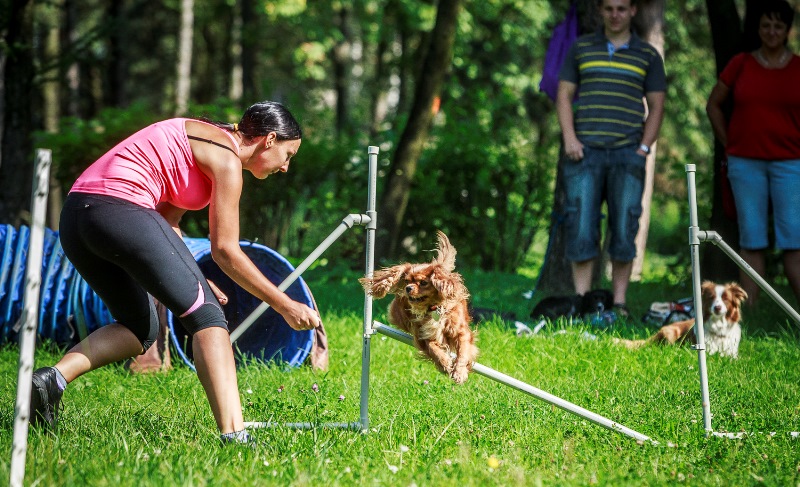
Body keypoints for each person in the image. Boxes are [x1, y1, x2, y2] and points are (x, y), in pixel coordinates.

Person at [29, 101, 320, 445]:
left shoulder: (205, 139)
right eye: (288, 155)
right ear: (269, 139)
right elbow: (225, 250)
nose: (286, 167)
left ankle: (51, 379)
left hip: (78, 216)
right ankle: (235, 435)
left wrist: (193, 275)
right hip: (120, 210)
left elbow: (166, 222)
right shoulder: (226, 158)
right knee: (209, 319)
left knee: (140, 330)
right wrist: (285, 304)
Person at [555, 0, 666, 317]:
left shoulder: (647, 55)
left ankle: (618, 305)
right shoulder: (581, 48)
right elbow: (563, 96)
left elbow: (657, 106)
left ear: (633, 11)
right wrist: (570, 138)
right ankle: (581, 301)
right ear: (601, 12)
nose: (614, 14)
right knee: (580, 225)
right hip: (584, 152)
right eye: (609, 8)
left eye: (621, 8)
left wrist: (644, 148)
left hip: (627, 154)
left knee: (624, 226)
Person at [706, 0, 800, 307]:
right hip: (745, 165)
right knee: (751, 241)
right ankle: (750, 313)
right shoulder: (741, 64)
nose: (771, 32)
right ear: (758, 28)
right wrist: (729, 143)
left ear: (787, 30)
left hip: (791, 164)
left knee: (794, 242)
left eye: (778, 26)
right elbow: (713, 104)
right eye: (766, 25)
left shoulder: (798, 67)